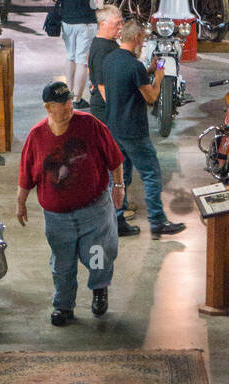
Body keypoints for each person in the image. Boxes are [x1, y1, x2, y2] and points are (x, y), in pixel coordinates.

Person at [17, 79, 125, 326]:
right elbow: (26, 174)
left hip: (94, 211)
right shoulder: (37, 136)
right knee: (62, 264)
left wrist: (118, 187)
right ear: (48, 107)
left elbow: (115, 159)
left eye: (69, 102)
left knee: (99, 256)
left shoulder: (91, 125)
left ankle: (99, 290)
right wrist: (20, 203)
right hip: (57, 218)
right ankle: (63, 306)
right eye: (61, 104)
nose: (67, 108)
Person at [100, 19, 185, 239]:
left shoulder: (110, 60)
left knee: (120, 177)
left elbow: (123, 84)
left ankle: (117, 220)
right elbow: (151, 97)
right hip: (133, 130)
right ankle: (157, 222)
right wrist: (157, 77)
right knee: (151, 174)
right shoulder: (134, 65)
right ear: (137, 38)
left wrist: (148, 69)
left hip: (113, 127)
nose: (143, 44)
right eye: (143, 39)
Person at [89, 5, 140, 239]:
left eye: (121, 23)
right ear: (103, 24)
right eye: (117, 23)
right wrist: (119, 112)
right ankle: (115, 217)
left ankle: (119, 209)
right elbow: (101, 85)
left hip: (109, 113)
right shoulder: (103, 50)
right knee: (116, 164)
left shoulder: (106, 46)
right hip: (109, 115)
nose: (121, 27)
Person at [61, 0, 99, 108]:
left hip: (67, 19)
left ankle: (69, 94)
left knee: (70, 57)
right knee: (82, 61)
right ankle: (76, 100)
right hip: (85, 20)